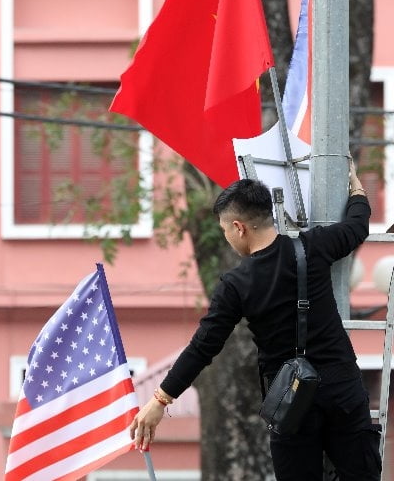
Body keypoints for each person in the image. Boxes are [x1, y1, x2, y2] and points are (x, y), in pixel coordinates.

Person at [130, 158, 382, 481]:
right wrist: (356, 187)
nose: (227, 239)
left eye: (225, 231)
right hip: (342, 387)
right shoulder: (314, 245)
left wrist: (160, 399)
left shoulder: (237, 284)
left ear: (239, 227)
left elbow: (203, 347)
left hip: (293, 401)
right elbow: (357, 227)